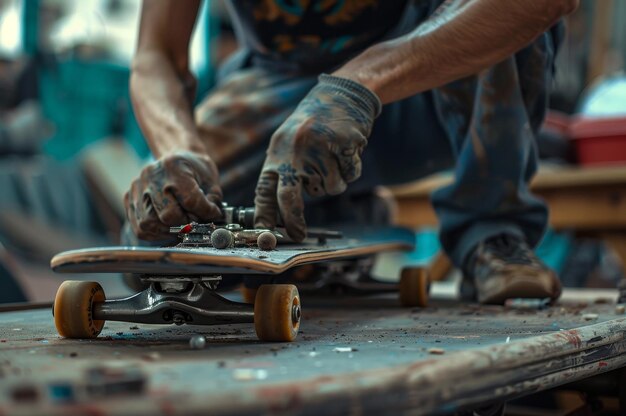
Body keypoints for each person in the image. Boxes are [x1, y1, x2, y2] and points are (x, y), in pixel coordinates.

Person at [125, 0, 579, 304]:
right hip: (279, 88)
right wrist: (177, 149)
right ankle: (338, 210)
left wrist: (358, 87)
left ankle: (493, 232)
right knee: (160, 239)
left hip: (424, 76)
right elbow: (155, 55)